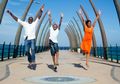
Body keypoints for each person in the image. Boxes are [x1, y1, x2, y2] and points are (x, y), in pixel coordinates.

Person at [7, 5, 45, 70]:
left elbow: (39, 17)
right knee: (27, 51)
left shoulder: (34, 23)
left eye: (31, 19)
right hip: (26, 39)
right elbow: (17, 19)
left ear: (32, 20)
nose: (30, 20)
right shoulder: (25, 23)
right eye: (29, 19)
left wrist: (41, 10)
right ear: (28, 20)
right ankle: (30, 61)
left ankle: (33, 61)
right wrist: (10, 13)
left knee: (33, 50)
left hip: (32, 39)